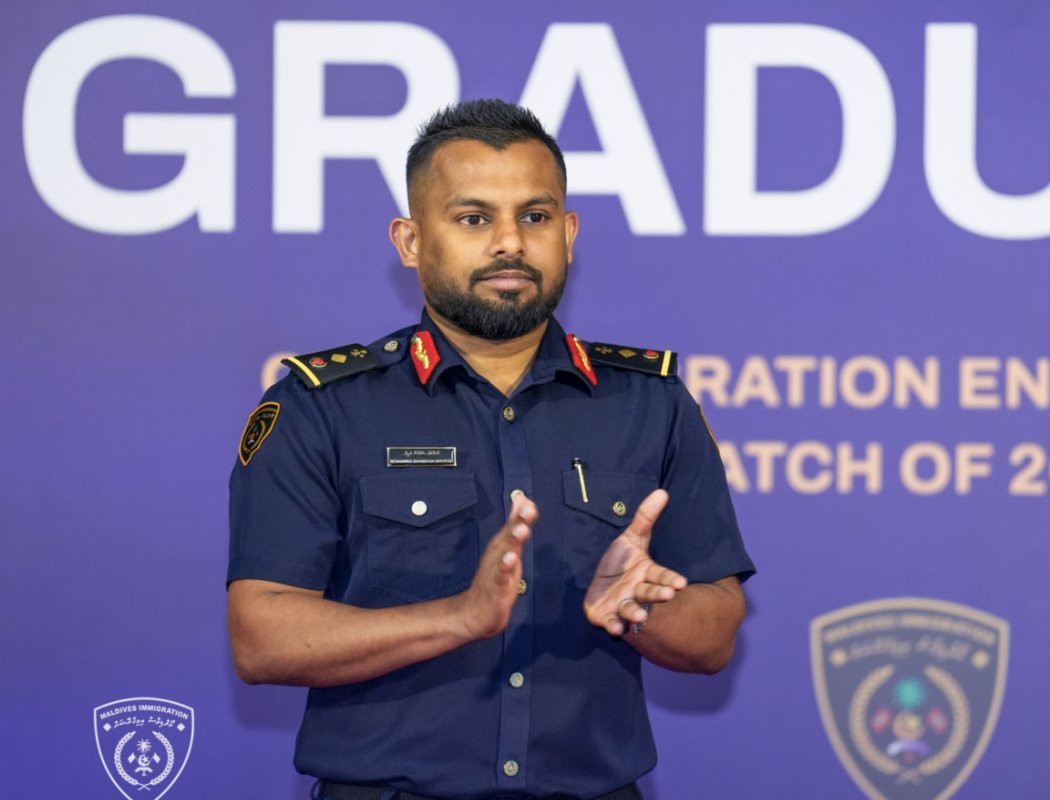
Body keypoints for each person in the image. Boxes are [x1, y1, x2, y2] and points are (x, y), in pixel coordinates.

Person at [227, 99, 754, 800]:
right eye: (474, 219)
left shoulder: (652, 403)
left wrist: (642, 610)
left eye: (534, 217)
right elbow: (261, 636)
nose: (510, 242)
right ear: (410, 240)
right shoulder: (321, 406)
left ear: (568, 233)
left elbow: (716, 634)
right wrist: (459, 617)